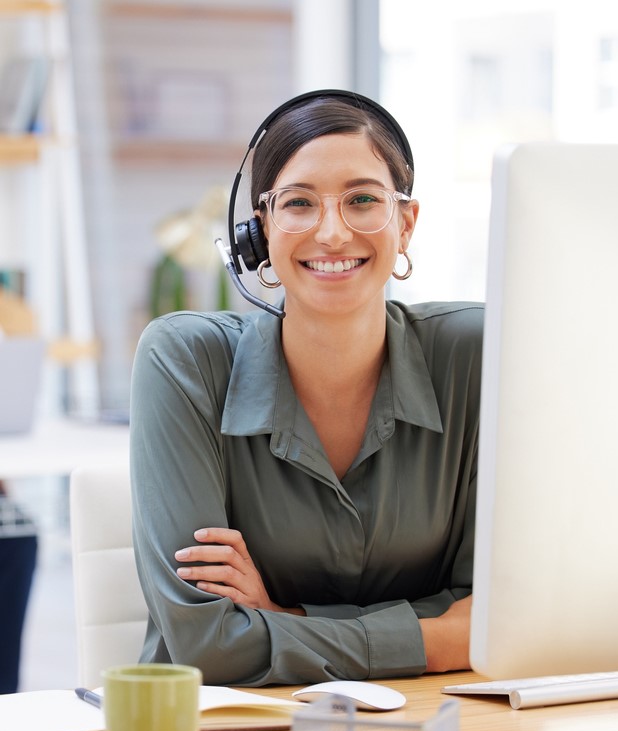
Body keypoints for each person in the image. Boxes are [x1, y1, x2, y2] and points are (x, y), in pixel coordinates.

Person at [130, 90, 483, 686]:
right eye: (298, 203)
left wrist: (281, 620)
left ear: (406, 222)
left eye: (363, 199)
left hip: (442, 721)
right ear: (260, 233)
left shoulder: (476, 353)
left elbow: (499, 618)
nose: (333, 232)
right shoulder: (183, 360)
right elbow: (205, 644)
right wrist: (436, 634)